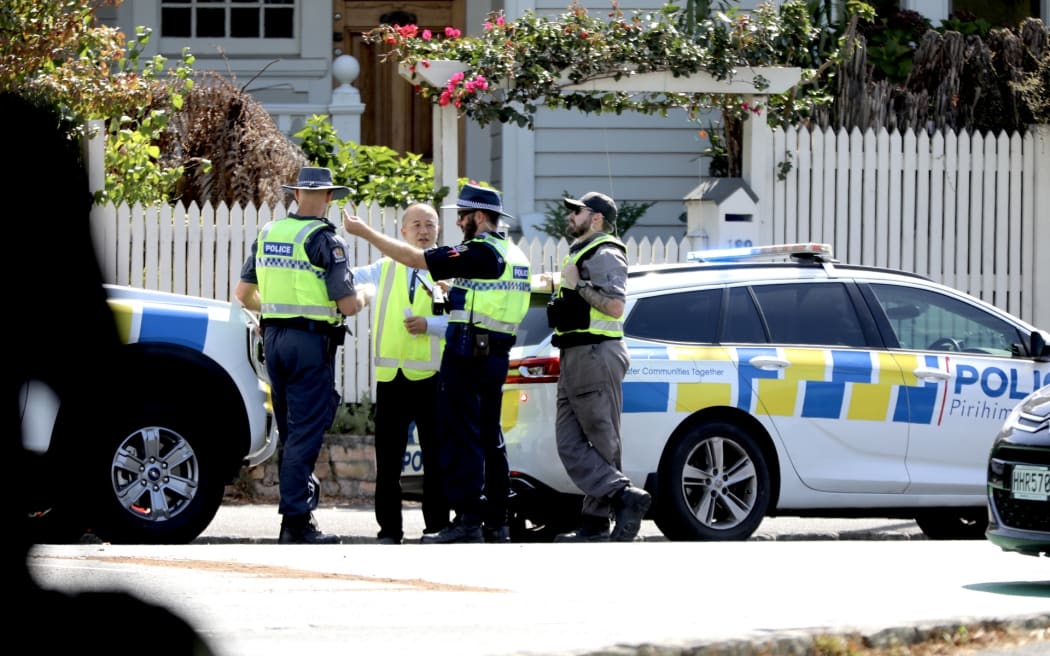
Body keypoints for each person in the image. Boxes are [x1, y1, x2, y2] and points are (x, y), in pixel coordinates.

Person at [343, 184, 531, 544]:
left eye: (461, 216)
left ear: (478, 216)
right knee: (490, 439)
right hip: (493, 354)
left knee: (463, 441)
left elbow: (417, 259)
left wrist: (364, 231)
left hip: (469, 357)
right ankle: (496, 520)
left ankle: (467, 520)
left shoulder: (480, 250)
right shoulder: (513, 253)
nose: (457, 222)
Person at [235, 166, 359, 545]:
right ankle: (296, 521)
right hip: (309, 343)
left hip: (274, 339)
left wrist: (272, 315)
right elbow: (348, 304)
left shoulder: (270, 232)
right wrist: (364, 297)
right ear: (327, 198)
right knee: (306, 431)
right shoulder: (325, 239)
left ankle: (298, 513)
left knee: (292, 431)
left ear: (296, 195)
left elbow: (243, 293)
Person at [545, 191, 651, 542]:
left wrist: (580, 286)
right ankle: (621, 496)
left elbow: (616, 307)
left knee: (602, 441)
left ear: (598, 218)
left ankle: (595, 523)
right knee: (568, 443)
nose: (571, 216)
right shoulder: (581, 252)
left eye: (577, 211)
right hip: (576, 354)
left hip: (595, 353)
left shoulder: (606, 252)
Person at [350, 203, 450, 544]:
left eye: (430, 225)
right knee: (388, 460)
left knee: (436, 458)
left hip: (431, 376)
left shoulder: (447, 270)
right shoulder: (385, 267)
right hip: (392, 376)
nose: (424, 231)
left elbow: (459, 321)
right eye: (417, 225)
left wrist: (430, 325)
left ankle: (436, 526)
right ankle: (389, 530)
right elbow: (350, 277)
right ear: (403, 231)